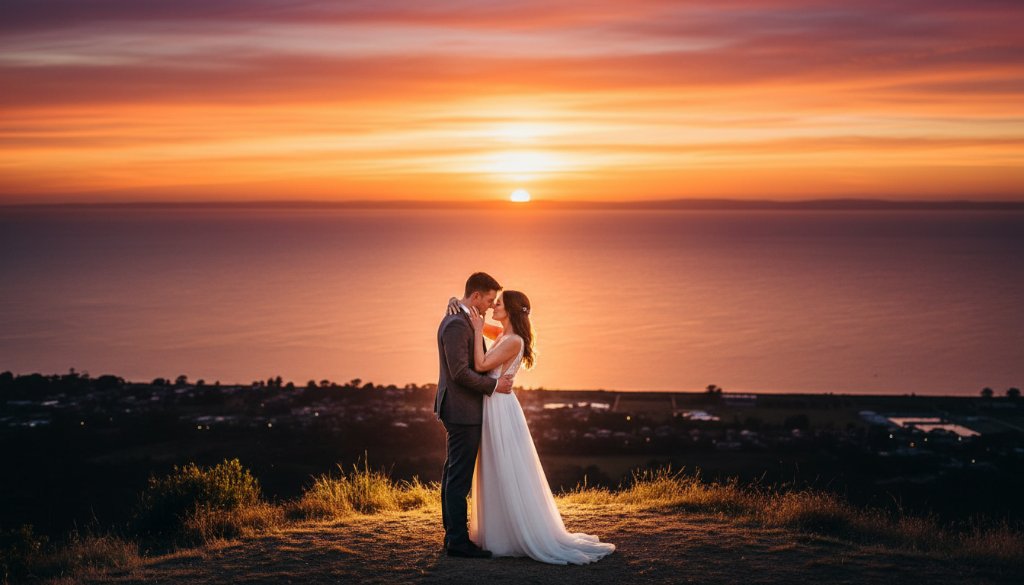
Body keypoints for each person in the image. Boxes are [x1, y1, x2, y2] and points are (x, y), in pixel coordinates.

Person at [447, 290, 616, 565]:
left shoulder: (512, 340)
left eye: (498, 304)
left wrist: (477, 331)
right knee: (497, 467)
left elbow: (479, 364)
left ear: (510, 310)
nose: (492, 307)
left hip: (499, 408)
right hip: (495, 404)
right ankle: (500, 530)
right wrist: (457, 304)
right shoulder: (504, 334)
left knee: (505, 466)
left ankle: (514, 532)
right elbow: (473, 320)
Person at [435, 272, 514, 558]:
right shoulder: (457, 323)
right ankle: (457, 541)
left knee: (453, 472)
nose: (491, 306)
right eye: (489, 300)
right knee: (459, 476)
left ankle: (452, 536)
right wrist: (494, 385)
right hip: (461, 410)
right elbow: (459, 373)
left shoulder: (466, 318)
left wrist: (455, 301)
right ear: (476, 296)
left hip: (460, 408)